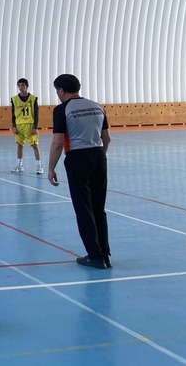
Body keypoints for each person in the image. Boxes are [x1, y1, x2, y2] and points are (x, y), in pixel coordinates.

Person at [47, 74, 112, 269]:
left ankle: (95, 256)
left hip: (77, 158)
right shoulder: (97, 106)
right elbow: (107, 138)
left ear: (61, 90)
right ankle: (105, 253)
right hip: (99, 156)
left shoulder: (61, 110)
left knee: (84, 209)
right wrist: (98, 156)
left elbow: (58, 142)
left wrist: (51, 168)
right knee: (99, 208)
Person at [10, 78, 44, 174]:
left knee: (35, 145)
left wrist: (35, 127)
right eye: (19, 85)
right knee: (19, 145)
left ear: (27, 86)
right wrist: (14, 126)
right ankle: (19, 165)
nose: (21, 87)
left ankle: (39, 166)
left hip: (30, 124)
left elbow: (36, 114)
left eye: (23, 85)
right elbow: (13, 114)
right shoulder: (14, 99)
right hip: (19, 125)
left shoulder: (33, 98)